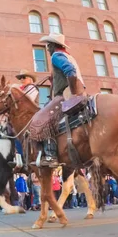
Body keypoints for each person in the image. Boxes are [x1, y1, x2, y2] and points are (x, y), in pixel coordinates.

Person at [35, 32, 87, 167]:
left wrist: (73, 92)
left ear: (53, 45)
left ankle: (51, 155)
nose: (47, 49)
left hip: (66, 94)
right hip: (77, 91)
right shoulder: (68, 56)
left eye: (48, 46)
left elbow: (70, 70)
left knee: (43, 119)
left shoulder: (56, 56)